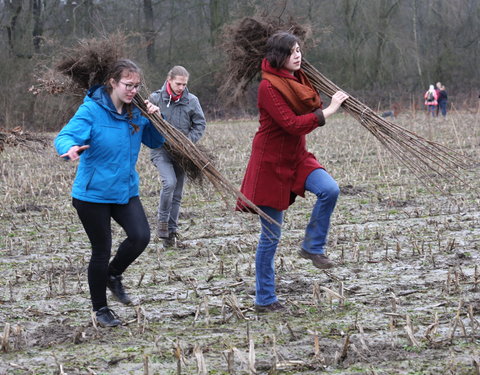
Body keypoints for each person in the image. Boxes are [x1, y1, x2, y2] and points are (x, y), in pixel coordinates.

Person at [236, 32, 348, 313]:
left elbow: (304, 112)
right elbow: (292, 124)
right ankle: (265, 300)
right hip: (270, 165)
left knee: (330, 189)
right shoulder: (268, 87)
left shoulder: (298, 79)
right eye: (291, 52)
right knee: (271, 237)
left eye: (299, 50)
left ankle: (312, 245)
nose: (298, 55)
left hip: (297, 157)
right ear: (278, 57)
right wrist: (331, 109)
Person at [54, 59, 165, 327]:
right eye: (128, 85)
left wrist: (155, 118)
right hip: (92, 195)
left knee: (140, 237)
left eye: (137, 86)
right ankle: (100, 310)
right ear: (113, 83)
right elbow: (65, 136)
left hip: (125, 190)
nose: (133, 90)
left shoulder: (136, 111)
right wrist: (70, 148)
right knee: (101, 250)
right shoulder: (91, 110)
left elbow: (155, 141)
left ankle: (113, 275)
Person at [149, 66, 206, 247]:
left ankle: (171, 234)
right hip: (161, 150)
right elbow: (147, 125)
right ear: (169, 80)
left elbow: (200, 124)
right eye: (178, 83)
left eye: (184, 84)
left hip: (183, 153)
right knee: (169, 183)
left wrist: (187, 143)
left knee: (178, 193)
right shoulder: (154, 99)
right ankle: (162, 224)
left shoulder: (192, 101)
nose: (181, 87)